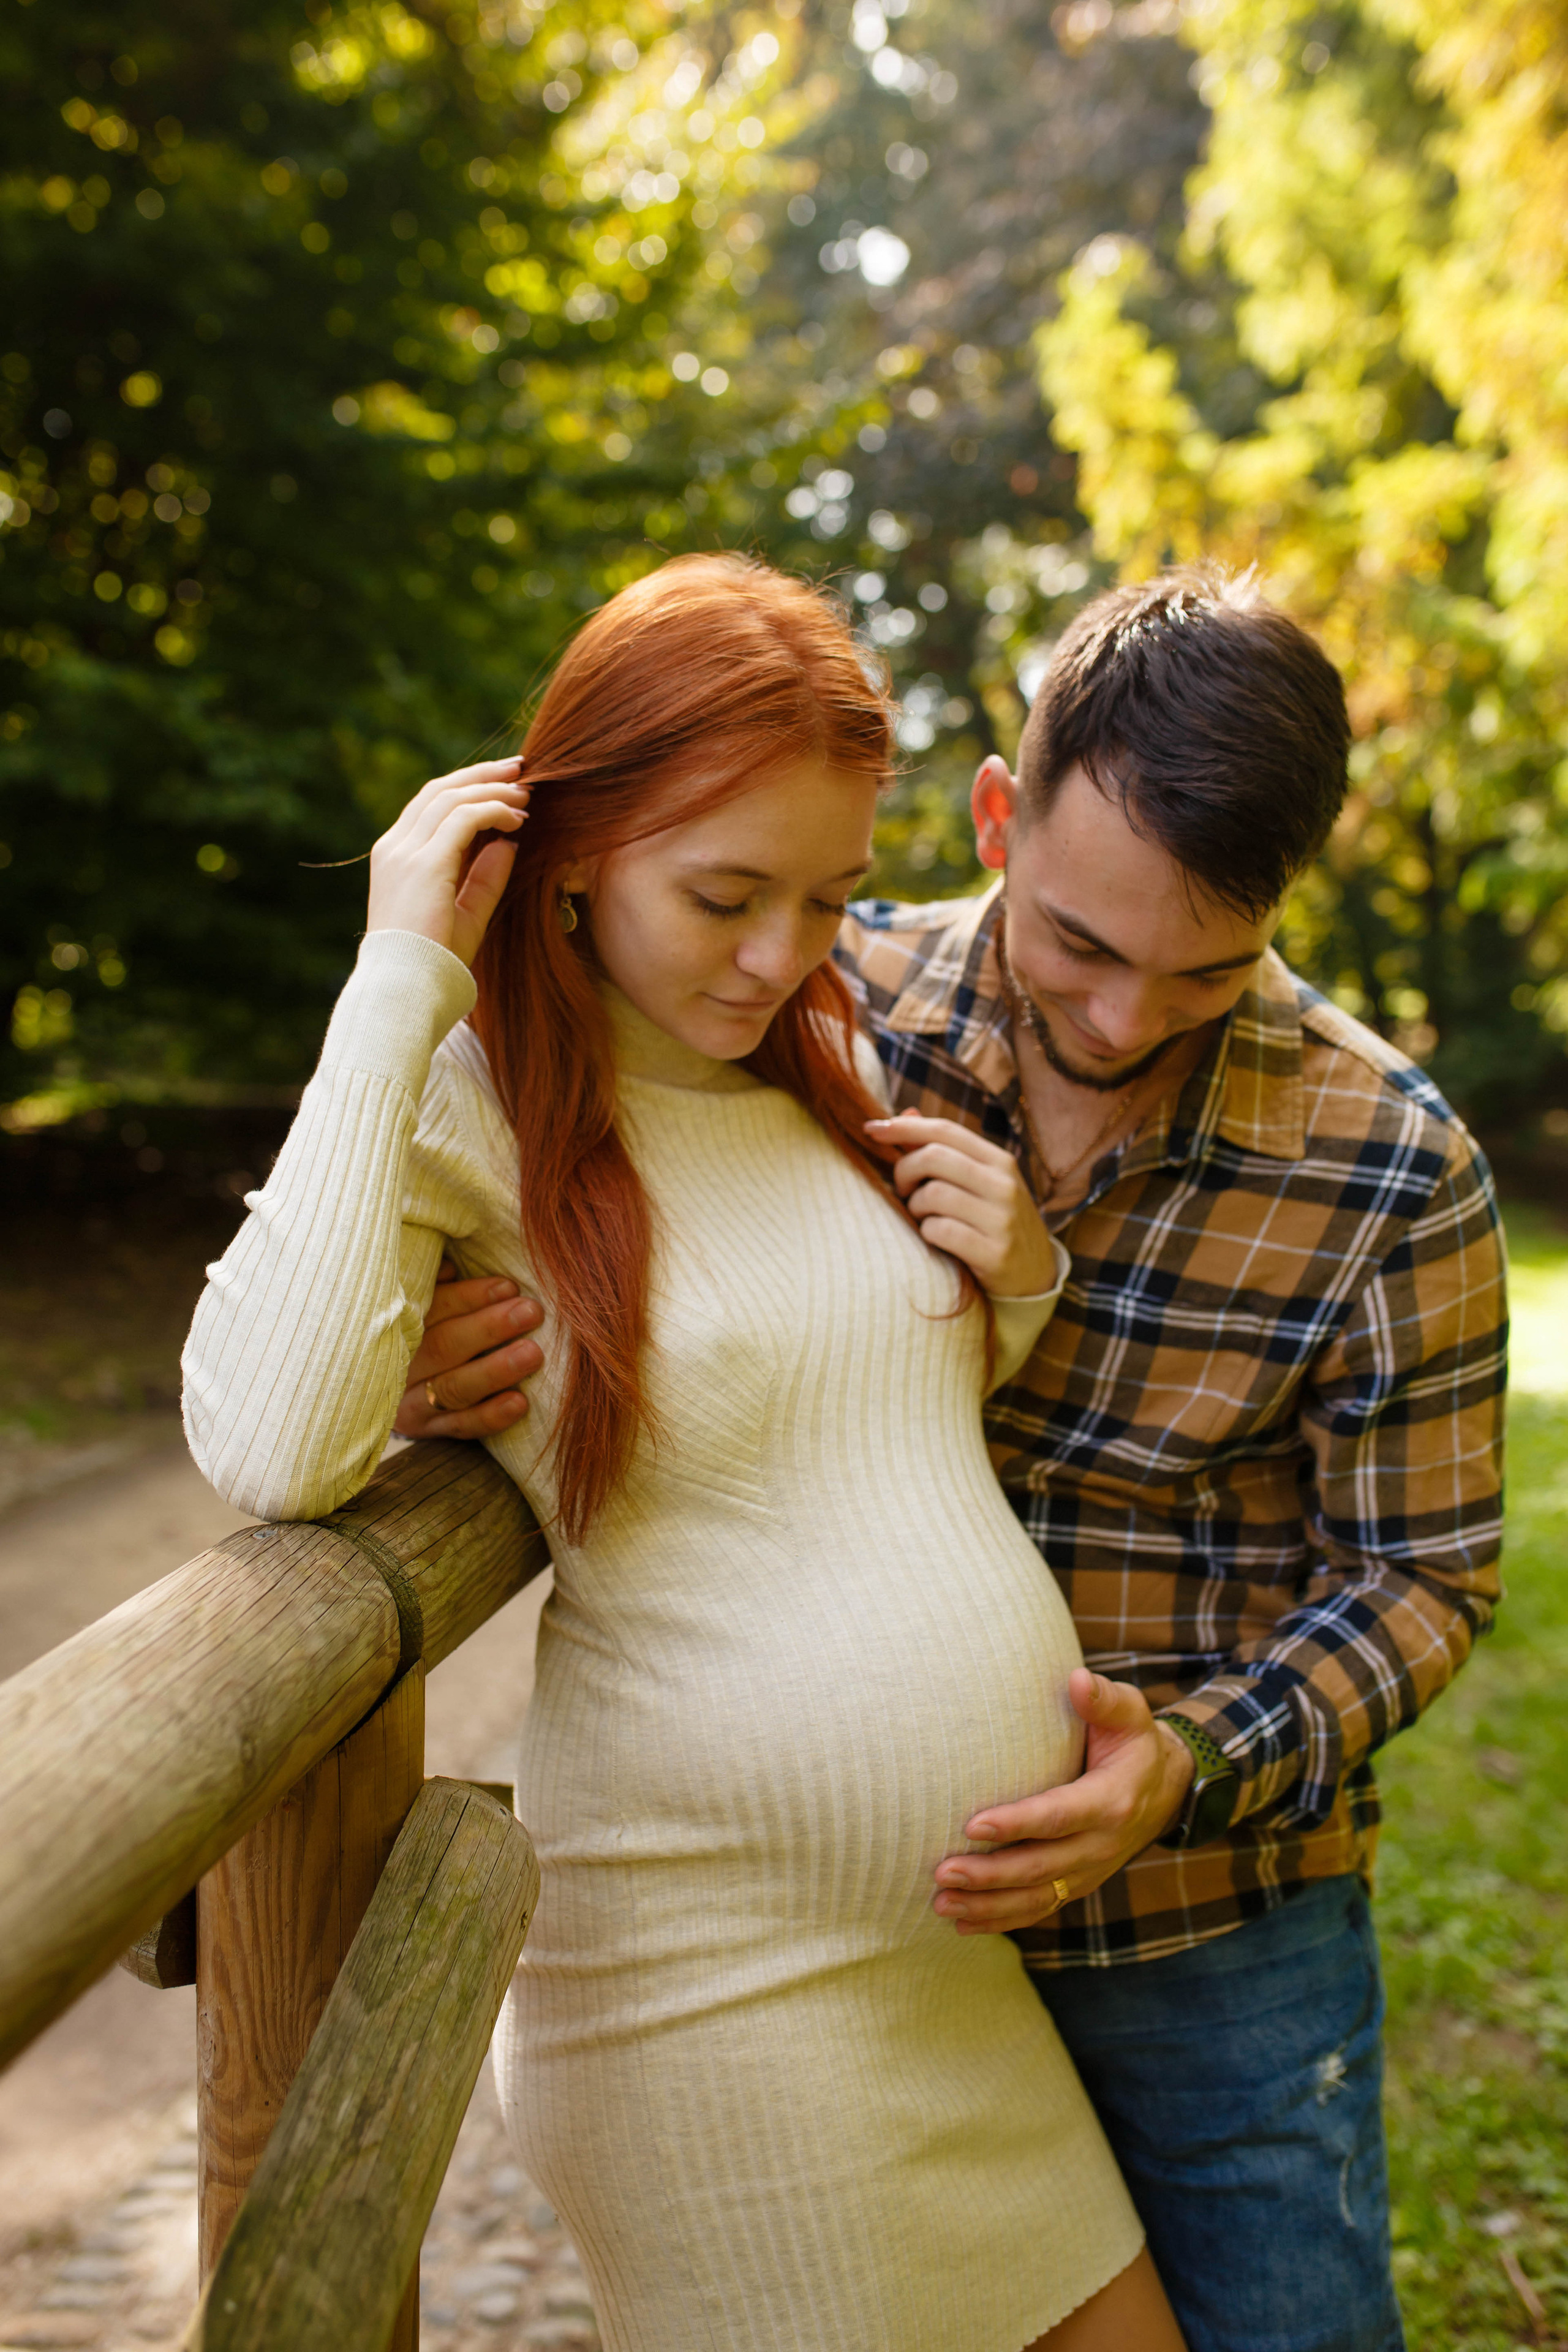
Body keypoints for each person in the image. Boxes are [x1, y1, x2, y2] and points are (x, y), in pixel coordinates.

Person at [407, 567, 1508, 2352]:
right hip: (829, 1950)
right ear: (1001, 814)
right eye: (1081, 942)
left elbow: (1424, 1574)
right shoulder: (811, 1001)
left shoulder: (1393, 1162)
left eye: (1203, 970)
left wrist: (1192, 1764)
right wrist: (418, 1358)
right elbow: (532, 1164)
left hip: (1209, 1928)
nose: (1125, 1017)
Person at [182, 553, 1188, 2352]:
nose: (780, 954)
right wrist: (404, 964)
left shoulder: (814, 1058)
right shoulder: (468, 1096)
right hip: (711, 2005)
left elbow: (829, 1428)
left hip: (944, 1984)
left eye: (827, 898)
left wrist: (1012, 1288)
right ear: (569, 848)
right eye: (725, 894)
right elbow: (263, 1436)